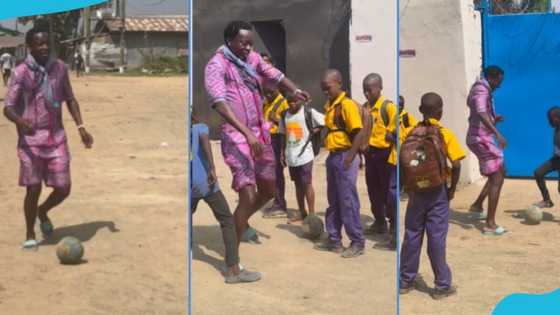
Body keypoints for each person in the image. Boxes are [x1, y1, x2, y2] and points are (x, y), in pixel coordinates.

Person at [204, 21, 311, 249]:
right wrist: (247, 134)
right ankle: (233, 260)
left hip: (258, 134)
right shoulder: (216, 65)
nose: (248, 48)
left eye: (251, 44)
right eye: (243, 43)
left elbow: (274, 73)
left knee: (269, 190)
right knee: (248, 196)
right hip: (236, 137)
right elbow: (220, 104)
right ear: (229, 41)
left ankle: (237, 222)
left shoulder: (251, 59)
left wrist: (295, 90)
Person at [3, 27, 94, 250]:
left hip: (56, 138)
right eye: (38, 44)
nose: (43, 47)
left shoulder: (60, 68)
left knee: (64, 187)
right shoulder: (21, 72)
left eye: (46, 43)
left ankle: (43, 211)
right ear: (29, 46)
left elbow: (70, 99)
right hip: (31, 142)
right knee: (33, 188)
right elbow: (8, 107)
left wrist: (81, 127)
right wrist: (20, 121)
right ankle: (30, 232)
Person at [399, 92, 465, 299]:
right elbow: (456, 164)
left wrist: (407, 186)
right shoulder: (444, 133)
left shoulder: (410, 132)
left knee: (412, 235)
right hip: (437, 193)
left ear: (420, 110)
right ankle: (442, 285)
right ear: (441, 111)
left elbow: (405, 162)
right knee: (436, 238)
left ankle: (405, 281)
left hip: (416, 192)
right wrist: (452, 189)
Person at [190, 110, 261, 284]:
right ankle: (233, 270)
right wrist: (212, 168)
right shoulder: (200, 127)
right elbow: (205, 141)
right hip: (204, 182)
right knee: (227, 220)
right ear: (193, 116)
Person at [313, 69, 365, 258]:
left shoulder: (347, 105)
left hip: (345, 156)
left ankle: (357, 241)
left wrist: (351, 157)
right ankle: (334, 239)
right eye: (323, 89)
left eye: (328, 88)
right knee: (333, 199)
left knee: (347, 200)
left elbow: (358, 132)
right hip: (333, 156)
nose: (325, 92)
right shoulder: (331, 105)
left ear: (339, 83)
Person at [466, 65, 507, 235]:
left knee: (499, 172)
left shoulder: (481, 89)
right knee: (497, 176)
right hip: (480, 139)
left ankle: (476, 206)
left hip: (482, 137)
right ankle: (490, 224)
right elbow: (481, 111)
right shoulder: (482, 90)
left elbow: (481, 114)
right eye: (499, 80)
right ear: (492, 77)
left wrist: (493, 119)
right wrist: (497, 133)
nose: (500, 84)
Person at [278, 93, 325, 224]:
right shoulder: (284, 115)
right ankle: (302, 212)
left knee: (307, 183)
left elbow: (324, 122)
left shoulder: (309, 112)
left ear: (301, 101)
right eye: (289, 102)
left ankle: (311, 215)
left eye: (295, 102)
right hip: (291, 156)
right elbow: (282, 134)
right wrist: (282, 153)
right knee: (298, 185)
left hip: (306, 155)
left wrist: (315, 130)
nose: (292, 104)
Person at [361, 73, 398, 236]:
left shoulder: (388, 107)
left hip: (385, 155)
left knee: (388, 191)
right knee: (373, 189)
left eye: (369, 90)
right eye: (364, 91)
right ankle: (379, 221)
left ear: (380, 88)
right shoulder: (364, 108)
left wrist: (391, 135)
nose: (367, 94)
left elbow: (396, 129)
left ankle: (392, 224)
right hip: (370, 155)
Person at [262, 83, 289, 218]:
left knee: (277, 173)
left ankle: (280, 205)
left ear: (277, 89)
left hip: (278, 140)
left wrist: (277, 120)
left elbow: (292, 124)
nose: (267, 96)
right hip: (268, 140)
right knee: (271, 174)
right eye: (265, 93)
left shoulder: (283, 103)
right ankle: (276, 201)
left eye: (270, 92)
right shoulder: (267, 102)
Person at [533, 106, 560, 208]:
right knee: (538, 173)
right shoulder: (557, 128)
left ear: (557, 118)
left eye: (550, 119)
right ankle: (547, 200)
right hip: (556, 160)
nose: (548, 122)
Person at [398, 95, 417, 201]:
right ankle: (399, 188)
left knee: (405, 168)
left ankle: (405, 188)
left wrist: (405, 131)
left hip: (405, 146)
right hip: (395, 147)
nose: (399, 107)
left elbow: (414, 127)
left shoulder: (406, 116)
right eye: (398, 105)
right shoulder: (392, 115)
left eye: (401, 105)